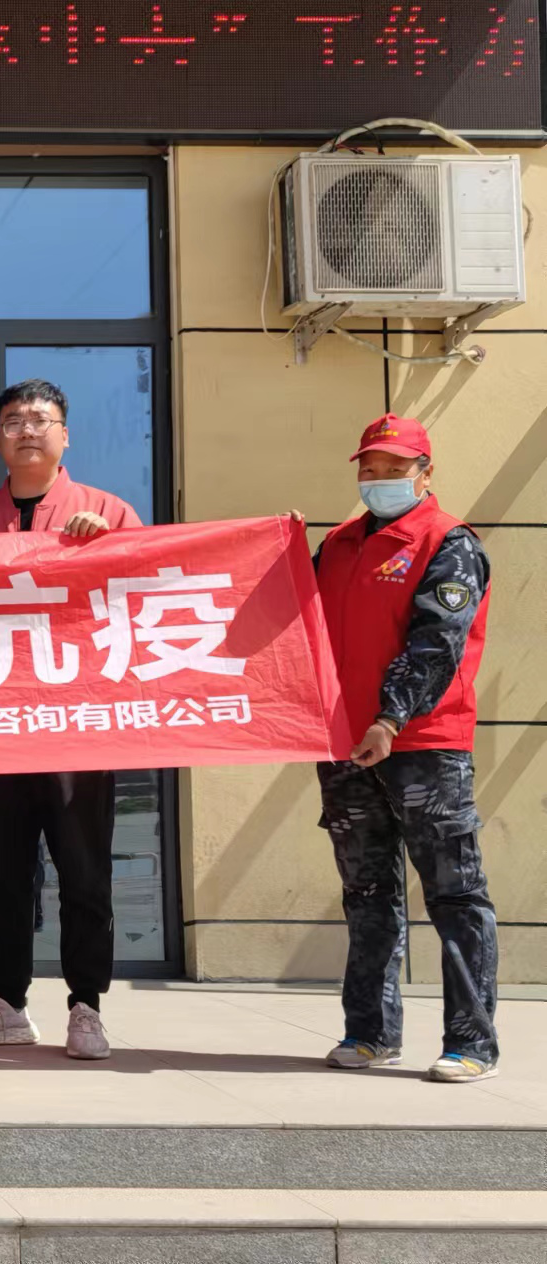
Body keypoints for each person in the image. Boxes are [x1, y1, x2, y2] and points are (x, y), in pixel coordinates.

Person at [0, 378, 141, 1061]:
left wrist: (106, 550)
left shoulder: (107, 512)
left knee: (84, 873)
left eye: (40, 419)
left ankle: (87, 1006)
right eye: (13, 421)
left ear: (65, 435)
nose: (26, 429)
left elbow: (146, 595)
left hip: (75, 727)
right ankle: (8, 1003)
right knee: (3, 873)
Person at [297, 414, 499, 1082]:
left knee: (454, 894)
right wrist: (280, 547)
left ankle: (472, 1043)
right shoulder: (339, 544)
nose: (379, 478)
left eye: (394, 468)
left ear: (425, 473)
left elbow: (437, 641)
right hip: (345, 746)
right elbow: (292, 617)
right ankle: (370, 1033)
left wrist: (390, 718)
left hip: (422, 747)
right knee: (367, 893)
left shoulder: (449, 543)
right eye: (370, 468)